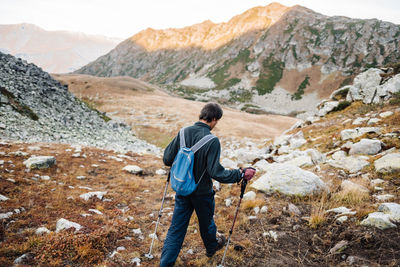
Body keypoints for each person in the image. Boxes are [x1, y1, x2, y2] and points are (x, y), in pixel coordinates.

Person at [160, 103, 256, 267]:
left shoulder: (183, 132)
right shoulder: (212, 140)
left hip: (182, 189)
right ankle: (212, 247)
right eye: (216, 121)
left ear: (201, 115)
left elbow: (167, 159)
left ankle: (165, 264)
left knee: (176, 229)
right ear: (214, 119)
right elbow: (216, 173)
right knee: (206, 223)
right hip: (202, 192)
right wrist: (239, 174)